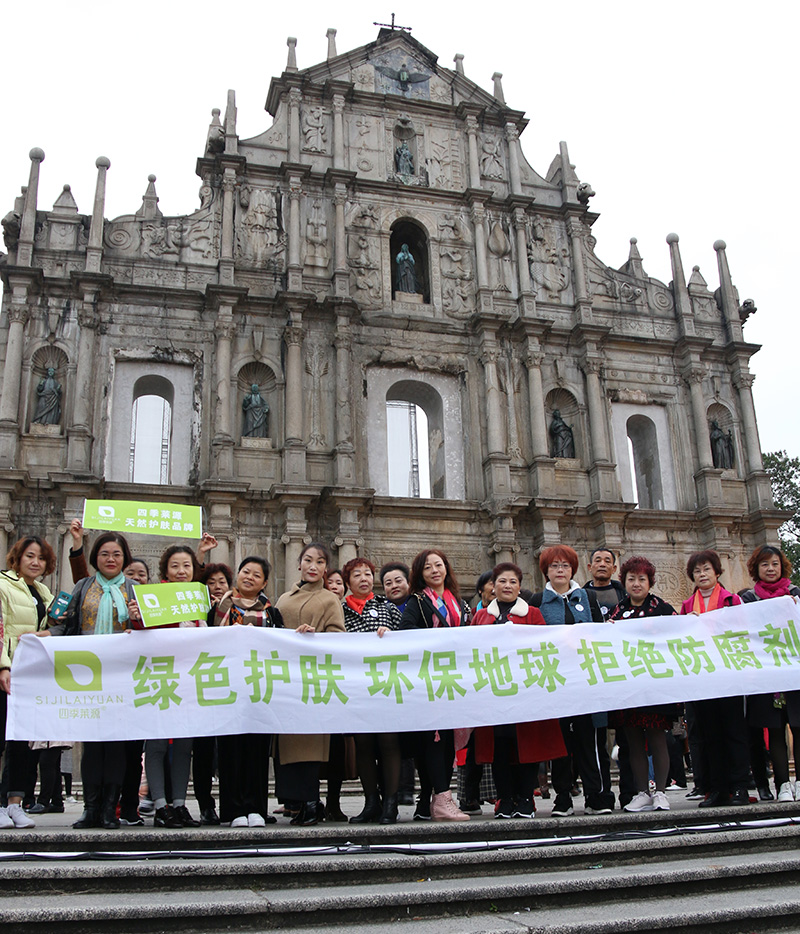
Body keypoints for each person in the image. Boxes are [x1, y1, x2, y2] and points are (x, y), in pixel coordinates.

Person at [45, 532, 140, 829]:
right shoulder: (83, 586)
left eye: (116, 554)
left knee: (116, 745)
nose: (111, 559)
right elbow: (67, 624)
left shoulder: (135, 590)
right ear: (95, 558)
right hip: (87, 674)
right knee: (91, 744)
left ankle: (110, 808)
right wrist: (45, 635)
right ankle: (90, 807)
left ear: (125, 558)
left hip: (122, 675)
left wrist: (137, 622)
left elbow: (150, 632)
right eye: (104, 554)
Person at [471, 563, 567, 818]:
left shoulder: (533, 614)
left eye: (513, 582)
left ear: (519, 587)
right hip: (494, 693)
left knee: (528, 745)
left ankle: (525, 798)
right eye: (502, 581)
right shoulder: (481, 617)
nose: (507, 586)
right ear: (493, 586)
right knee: (500, 747)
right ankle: (504, 799)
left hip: (527, 692)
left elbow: (544, 648)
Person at [528, 545, 613, 817]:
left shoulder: (587, 597)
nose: (560, 570)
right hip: (556, 684)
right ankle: (562, 797)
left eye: (565, 565)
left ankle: (596, 796)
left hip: (586, 683)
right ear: (546, 571)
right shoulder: (537, 601)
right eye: (554, 566)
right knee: (560, 744)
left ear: (573, 570)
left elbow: (600, 634)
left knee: (590, 742)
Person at [274, 543, 345, 826]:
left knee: (309, 746)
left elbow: (338, 637)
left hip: (312, 681)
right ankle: (295, 803)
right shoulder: (283, 598)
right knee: (287, 743)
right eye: (308, 560)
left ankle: (312, 802)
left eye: (320, 561)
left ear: (326, 568)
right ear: (299, 564)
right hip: (284, 680)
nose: (313, 566)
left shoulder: (329, 599)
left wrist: (315, 636)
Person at [400, 549, 471, 822]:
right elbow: (406, 630)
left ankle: (440, 800)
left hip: (453, 679)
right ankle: (442, 798)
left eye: (438, 565)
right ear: (420, 574)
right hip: (429, 679)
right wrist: (437, 640)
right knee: (434, 740)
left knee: (448, 741)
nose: (434, 570)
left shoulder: (458, 603)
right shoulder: (417, 601)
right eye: (427, 567)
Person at [142, 545, 208, 829]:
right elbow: (144, 632)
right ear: (165, 570)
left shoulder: (198, 599)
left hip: (190, 681)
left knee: (184, 745)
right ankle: (160, 805)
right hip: (161, 677)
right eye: (175, 566)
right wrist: (136, 618)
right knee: (156, 744)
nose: (181, 571)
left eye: (187, 566)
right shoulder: (154, 597)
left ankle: (180, 804)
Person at [216, 556, 283, 826]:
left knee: (257, 749)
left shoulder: (271, 613)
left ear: (264, 583)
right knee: (230, 750)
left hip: (259, 688)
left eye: (257, 575)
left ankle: (256, 807)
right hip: (227, 687)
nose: (249, 577)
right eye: (246, 572)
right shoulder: (220, 608)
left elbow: (281, 645)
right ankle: (233, 810)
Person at [609, 556, 677, 812]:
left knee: (657, 738)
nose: (636, 584)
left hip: (655, 685)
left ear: (650, 582)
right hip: (627, 687)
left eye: (641, 579)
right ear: (624, 582)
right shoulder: (617, 612)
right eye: (631, 579)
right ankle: (641, 792)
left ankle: (660, 792)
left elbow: (680, 635)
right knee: (633, 740)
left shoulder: (663, 609)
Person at [680, 550, 746, 807]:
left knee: (734, 732)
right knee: (709, 735)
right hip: (703, 678)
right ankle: (716, 788)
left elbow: (743, 631)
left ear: (717, 572)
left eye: (707, 569)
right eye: (697, 571)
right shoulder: (688, 606)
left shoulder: (732, 600)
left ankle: (739, 786)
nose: (702, 574)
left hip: (729, 674)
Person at [0, 536, 57, 829]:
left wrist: (50, 632)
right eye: (30, 556)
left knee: (22, 743)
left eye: (41, 558)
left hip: (30, 674)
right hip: (8, 670)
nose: (36, 562)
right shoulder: (3, 585)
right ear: (18, 558)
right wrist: (3, 666)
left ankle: (15, 803)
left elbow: (56, 627)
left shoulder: (44, 593)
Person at [340, 558, 402, 824]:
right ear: (347, 581)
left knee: (388, 742)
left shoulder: (387, 606)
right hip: (355, 686)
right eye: (357, 575)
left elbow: (408, 637)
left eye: (367, 574)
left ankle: (391, 803)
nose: (363, 578)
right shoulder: (339, 609)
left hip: (385, 684)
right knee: (363, 744)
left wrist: (391, 633)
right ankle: (371, 802)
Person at [741, 545, 800, 802]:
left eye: (775, 564)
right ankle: (783, 784)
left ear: (782, 566)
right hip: (767, 676)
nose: (770, 569)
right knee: (775, 731)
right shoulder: (749, 599)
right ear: (757, 569)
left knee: (798, 728)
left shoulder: (795, 594)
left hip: (794, 673)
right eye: (765, 564)